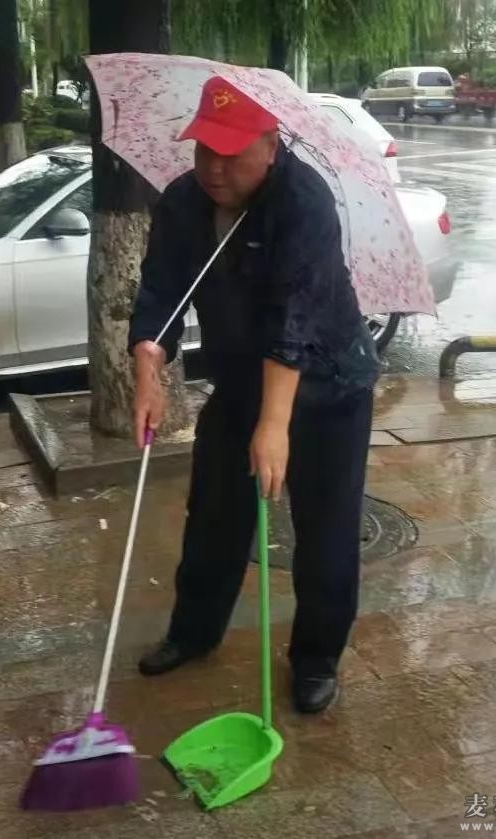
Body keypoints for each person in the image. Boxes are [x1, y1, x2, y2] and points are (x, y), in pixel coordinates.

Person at [128, 75, 380, 714]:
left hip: (328, 386)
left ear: (270, 145)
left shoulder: (304, 203)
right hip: (242, 381)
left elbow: (295, 320)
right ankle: (193, 633)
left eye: (231, 153)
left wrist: (274, 426)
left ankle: (316, 659)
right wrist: (148, 366)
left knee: (325, 529)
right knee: (214, 514)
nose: (214, 168)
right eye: (203, 150)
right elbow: (160, 291)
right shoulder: (183, 202)